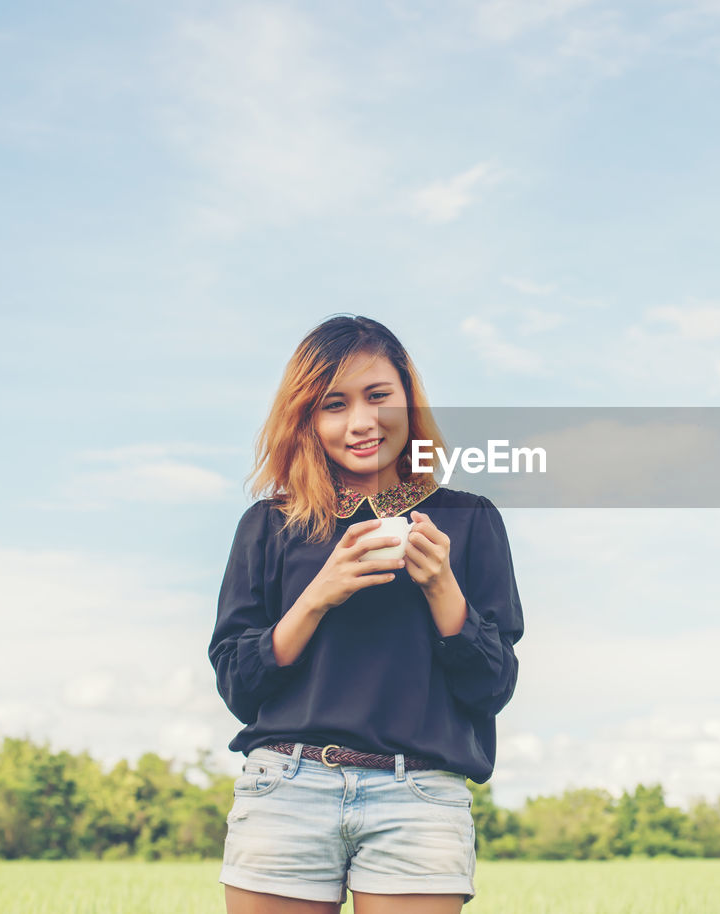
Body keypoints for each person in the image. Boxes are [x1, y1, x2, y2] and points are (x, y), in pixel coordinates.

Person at [209, 315, 524, 914]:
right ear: (308, 419)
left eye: (379, 395)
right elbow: (238, 684)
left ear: (408, 396)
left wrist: (442, 589)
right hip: (286, 789)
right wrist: (317, 595)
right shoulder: (270, 526)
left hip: (420, 795)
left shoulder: (470, 519)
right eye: (334, 404)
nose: (362, 421)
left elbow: (492, 687)